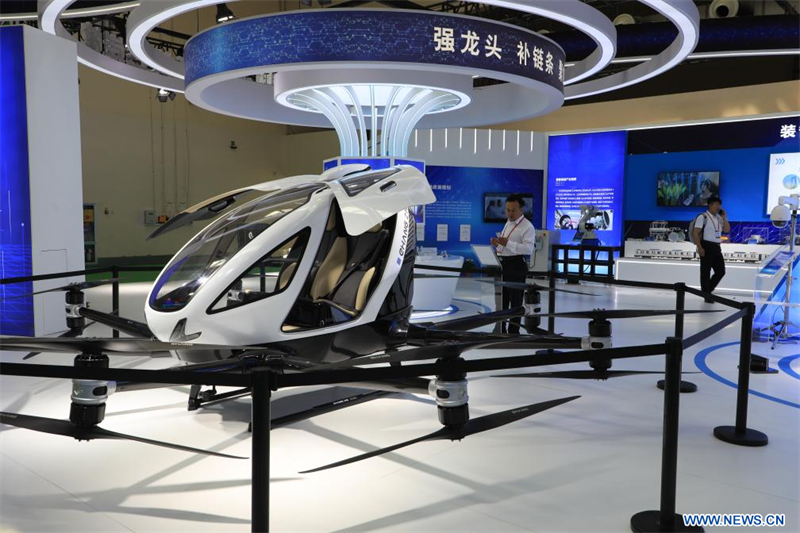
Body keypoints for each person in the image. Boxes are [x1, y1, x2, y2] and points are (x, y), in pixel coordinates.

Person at [490, 194, 536, 333]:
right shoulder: (508, 222)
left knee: (515, 302)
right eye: (507, 210)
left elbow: (528, 249)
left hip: (516, 265)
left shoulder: (527, 227)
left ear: (521, 209)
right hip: (503, 265)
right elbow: (507, 244)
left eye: (513, 210)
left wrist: (508, 243)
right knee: (502, 301)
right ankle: (500, 329)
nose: (510, 213)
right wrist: (498, 244)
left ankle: (513, 332)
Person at [692, 196, 730, 303]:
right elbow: (696, 233)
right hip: (706, 245)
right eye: (716, 204)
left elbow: (727, 230)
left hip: (716, 246)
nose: (718, 207)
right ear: (710, 205)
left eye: (719, 205)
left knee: (721, 271)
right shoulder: (703, 217)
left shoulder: (719, 218)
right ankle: (706, 295)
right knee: (705, 271)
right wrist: (699, 247)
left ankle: (707, 291)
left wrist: (724, 218)